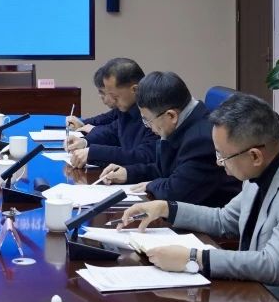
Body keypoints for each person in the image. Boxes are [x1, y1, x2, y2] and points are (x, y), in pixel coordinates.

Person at [117, 92, 279, 302]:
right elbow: (224, 219)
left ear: (255, 155)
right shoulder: (262, 169)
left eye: (222, 156)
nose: (219, 163)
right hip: (257, 300)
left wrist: (193, 258)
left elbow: (273, 265)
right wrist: (166, 208)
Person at [95, 71, 239, 207]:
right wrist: (128, 173)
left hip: (212, 217)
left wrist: (150, 185)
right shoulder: (185, 121)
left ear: (171, 116)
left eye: (148, 120)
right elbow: (166, 169)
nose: (148, 127)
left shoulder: (202, 140)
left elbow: (176, 192)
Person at [66, 57, 156, 168]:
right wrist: (85, 142)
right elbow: (112, 132)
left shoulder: (154, 112)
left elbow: (143, 155)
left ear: (135, 90)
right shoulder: (127, 108)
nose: (111, 100)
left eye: (115, 96)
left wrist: (94, 153)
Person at [64, 63, 118, 133]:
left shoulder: (129, 113)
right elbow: (104, 118)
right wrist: (82, 123)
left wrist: (92, 129)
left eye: (102, 92)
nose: (100, 96)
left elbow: (113, 132)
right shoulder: (120, 110)